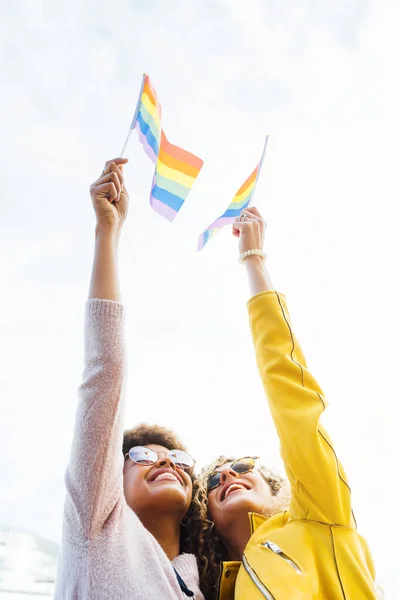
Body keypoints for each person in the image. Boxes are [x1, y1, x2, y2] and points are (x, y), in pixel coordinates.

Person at [193, 207, 378, 599]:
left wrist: (253, 260)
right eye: (213, 480)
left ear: (277, 488)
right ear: (205, 515)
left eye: (242, 466)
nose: (227, 476)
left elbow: (290, 395)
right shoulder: (212, 589)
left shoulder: (318, 512)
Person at [54, 158, 204, 600]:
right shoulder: (95, 524)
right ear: (109, 477)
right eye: (142, 454)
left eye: (179, 460)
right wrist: (107, 233)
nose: (167, 462)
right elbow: (106, 372)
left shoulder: (200, 584)